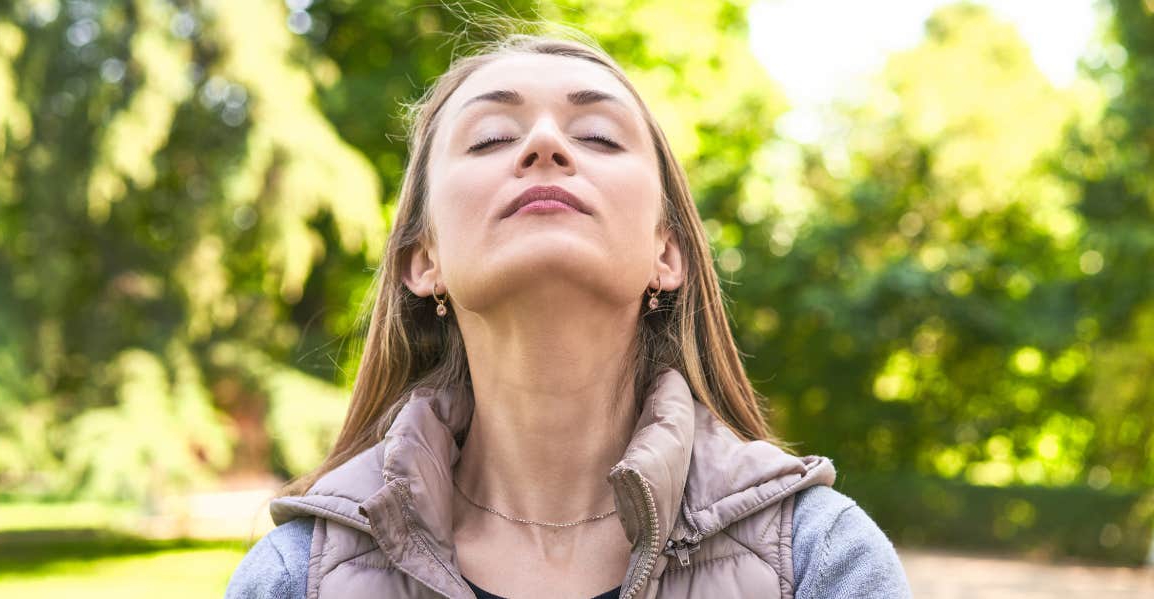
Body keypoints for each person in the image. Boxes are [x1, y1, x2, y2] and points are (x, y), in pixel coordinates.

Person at [225, 31, 911, 599]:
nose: (546, 145)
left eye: (600, 136)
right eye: (492, 136)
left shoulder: (823, 561)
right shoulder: (293, 578)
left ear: (665, 252)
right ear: (423, 259)